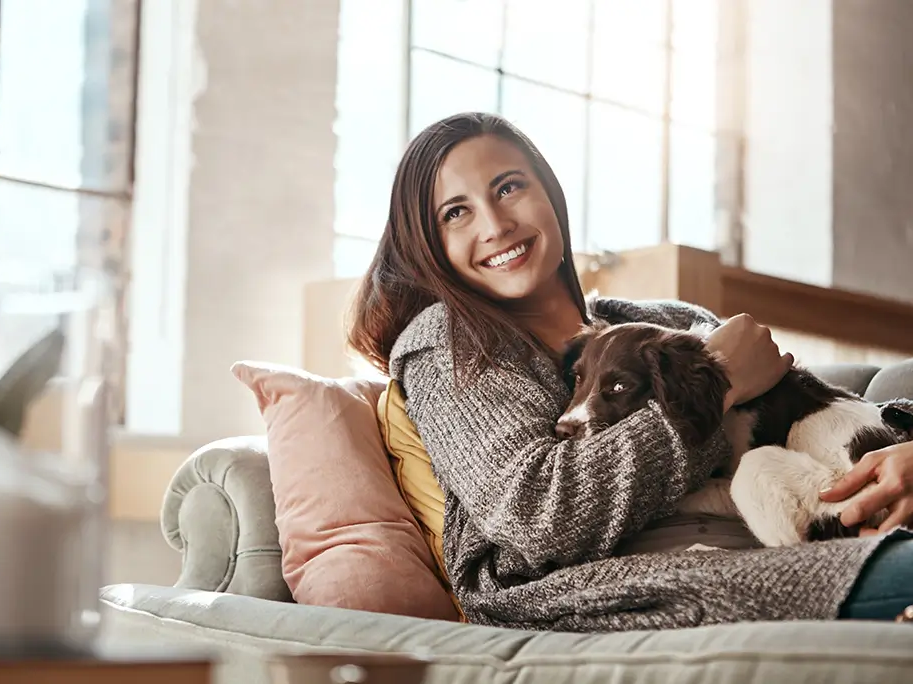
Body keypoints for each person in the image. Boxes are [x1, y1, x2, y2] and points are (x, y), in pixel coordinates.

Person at [347, 111, 913, 631]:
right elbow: (538, 514)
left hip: (815, 511)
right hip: (647, 579)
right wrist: (720, 388)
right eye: (456, 213)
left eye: (509, 186)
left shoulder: (670, 321)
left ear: (550, 193)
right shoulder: (447, 342)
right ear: (432, 245)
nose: (494, 224)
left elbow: (816, 413)